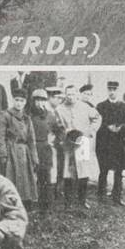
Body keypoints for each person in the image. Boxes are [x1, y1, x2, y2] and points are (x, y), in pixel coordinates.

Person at [54, 82, 100, 210]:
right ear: (65, 95)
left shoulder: (85, 107)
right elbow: (57, 127)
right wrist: (65, 134)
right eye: (68, 94)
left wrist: (90, 131)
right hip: (68, 144)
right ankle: (68, 202)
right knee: (68, 173)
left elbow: (97, 119)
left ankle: (82, 200)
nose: (70, 97)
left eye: (73, 94)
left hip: (83, 142)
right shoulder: (59, 109)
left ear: (77, 94)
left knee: (83, 171)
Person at [0, 86, 39, 206]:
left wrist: (34, 157)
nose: (19, 103)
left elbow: (31, 139)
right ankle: (9, 204)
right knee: (11, 177)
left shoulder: (27, 118)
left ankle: (24, 203)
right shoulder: (5, 115)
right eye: (17, 100)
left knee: (25, 179)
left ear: (25, 102)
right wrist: (2, 155)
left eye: (22, 101)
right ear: (13, 100)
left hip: (24, 152)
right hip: (11, 151)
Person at [96, 80, 125, 204]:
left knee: (119, 170)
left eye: (114, 90)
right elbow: (96, 123)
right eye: (110, 89)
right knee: (103, 170)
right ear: (107, 90)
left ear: (118, 90)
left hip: (119, 143)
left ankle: (117, 196)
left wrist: (121, 127)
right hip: (104, 143)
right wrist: (107, 127)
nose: (112, 92)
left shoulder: (124, 106)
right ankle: (101, 195)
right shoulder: (100, 106)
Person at [29, 88, 56, 212]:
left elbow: (59, 130)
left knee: (46, 177)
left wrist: (55, 139)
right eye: (37, 101)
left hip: (45, 149)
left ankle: (47, 206)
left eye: (42, 101)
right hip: (32, 148)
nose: (40, 104)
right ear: (33, 102)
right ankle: (32, 203)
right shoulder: (28, 115)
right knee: (32, 177)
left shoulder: (50, 115)